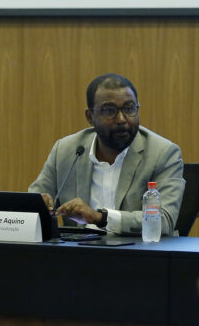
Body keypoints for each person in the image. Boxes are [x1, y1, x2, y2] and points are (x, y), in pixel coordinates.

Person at [28, 73, 184, 236]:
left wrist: (100, 217)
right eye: (110, 111)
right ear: (90, 117)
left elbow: (164, 221)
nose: (122, 119)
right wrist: (39, 204)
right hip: (79, 248)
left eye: (129, 109)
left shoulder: (162, 153)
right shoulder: (66, 150)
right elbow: (32, 203)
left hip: (137, 249)